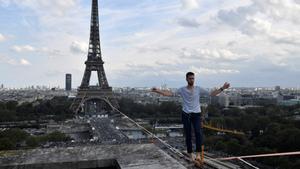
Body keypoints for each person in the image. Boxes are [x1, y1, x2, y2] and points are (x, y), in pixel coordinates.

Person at [151, 72, 230, 162]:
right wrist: (157, 91)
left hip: (196, 114)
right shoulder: (182, 89)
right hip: (186, 114)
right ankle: (190, 153)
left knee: (198, 133)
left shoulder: (198, 89)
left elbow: (212, 94)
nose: (192, 80)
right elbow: (169, 94)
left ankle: (198, 154)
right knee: (188, 134)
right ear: (186, 79)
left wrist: (223, 88)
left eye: (193, 78)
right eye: (190, 78)